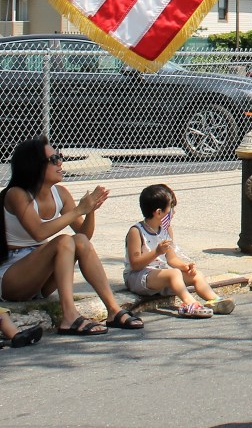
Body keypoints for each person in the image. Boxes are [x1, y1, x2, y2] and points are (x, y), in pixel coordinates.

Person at [0, 137, 144, 336]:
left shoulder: (60, 193)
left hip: (41, 274)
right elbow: (39, 232)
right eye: (54, 159)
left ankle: (113, 310)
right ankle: (69, 317)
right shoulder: (17, 194)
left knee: (79, 241)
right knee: (63, 241)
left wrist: (90, 211)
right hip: (12, 277)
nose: (60, 162)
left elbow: (84, 236)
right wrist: (78, 210)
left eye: (59, 156)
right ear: (34, 165)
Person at [123, 184, 234, 318]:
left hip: (160, 276)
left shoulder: (166, 229)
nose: (174, 212)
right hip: (137, 278)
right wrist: (156, 252)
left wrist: (184, 266)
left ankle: (215, 300)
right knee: (174, 274)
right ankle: (190, 303)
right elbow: (135, 264)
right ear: (159, 212)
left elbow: (171, 259)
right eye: (171, 208)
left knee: (196, 275)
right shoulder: (136, 232)